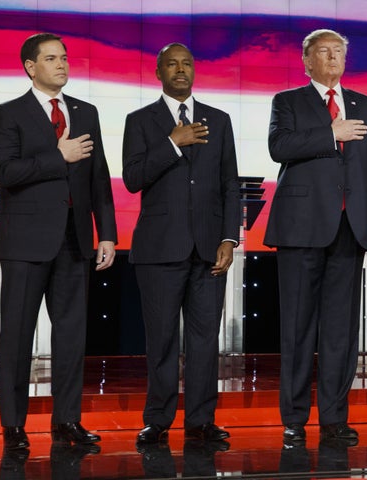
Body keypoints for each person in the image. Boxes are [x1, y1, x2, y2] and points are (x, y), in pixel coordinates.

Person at [264, 28, 367, 446]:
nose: (333, 57)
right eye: (324, 51)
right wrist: (330, 134)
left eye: (339, 51)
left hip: (350, 227)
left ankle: (335, 419)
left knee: (340, 331)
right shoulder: (288, 101)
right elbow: (278, 147)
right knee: (298, 328)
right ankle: (294, 419)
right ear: (306, 61)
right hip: (301, 228)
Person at [0, 32, 117, 450]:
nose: (61, 64)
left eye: (64, 57)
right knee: (17, 337)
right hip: (25, 243)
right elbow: (5, 173)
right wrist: (57, 157)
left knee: (71, 336)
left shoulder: (86, 111)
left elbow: (99, 179)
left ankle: (67, 422)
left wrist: (108, 235)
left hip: (75, 241)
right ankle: (13, 427)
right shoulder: (8, 113)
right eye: (50, 58)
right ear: (30, 66)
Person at [122, 42, 240, 445]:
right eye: (171, 64)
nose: (180, 70)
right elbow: (134, 178)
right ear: (158, 72)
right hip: (159, 249)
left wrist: (229, 237)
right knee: (162, 339)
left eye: (187, 63)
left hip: (209, 249)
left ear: (195, 70)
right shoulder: (140, 120)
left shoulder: (219, 121)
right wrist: (173, 143)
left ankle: (201, 420)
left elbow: (229, 184)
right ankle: (158, 419)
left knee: (205, 340)